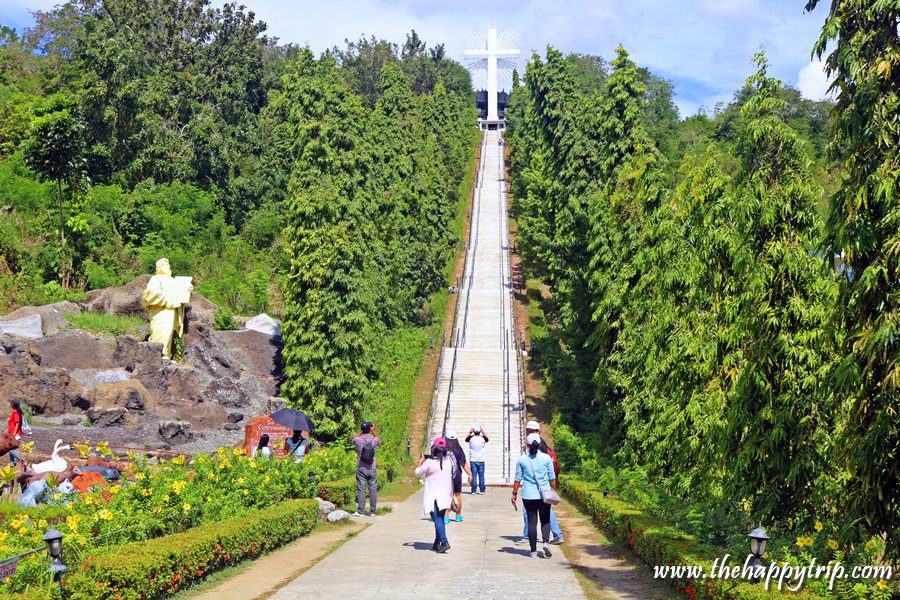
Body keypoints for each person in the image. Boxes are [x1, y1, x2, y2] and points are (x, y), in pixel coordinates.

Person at [512, 433, 557, 558]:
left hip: (528, 495)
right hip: (544, 494)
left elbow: (517, 479)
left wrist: (514, 493)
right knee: (545, 520)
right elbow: (552, 477)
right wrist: (554, 490)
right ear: (540, 444)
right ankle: (546, 543)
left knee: (532, 522)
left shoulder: (522, 460)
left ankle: (533, 551)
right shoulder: (547, 458)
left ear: (527, 445)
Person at [521, 420, 564, 544]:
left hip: (538, 486)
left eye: (530, 431)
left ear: (537, 432)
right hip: (539, 486)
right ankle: (556, 535)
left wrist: (552, 488)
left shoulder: (540, 446)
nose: (528, 433)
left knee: (531, 513)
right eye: (527, 431)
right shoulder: (539, 443)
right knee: (543, 512)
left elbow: (547, 469)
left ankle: (528, 536)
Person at [414, 438, 453, 553]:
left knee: (436, 519)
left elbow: (417, 473)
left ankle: (444, 541)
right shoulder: (449, 462)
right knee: (440, 519)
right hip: (445, 495)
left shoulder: (429, 463)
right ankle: (437, 542)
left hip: (433, 496)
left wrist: (420, 462)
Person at [351, 421, 381, 517]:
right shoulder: (374, 440)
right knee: (373, 489)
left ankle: (361, 511)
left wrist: (361, 432)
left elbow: (353, 440)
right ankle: (372, 511)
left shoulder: (358, 440)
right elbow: (380, 442)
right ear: (370, 429)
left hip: (361, 467)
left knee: (361, 489)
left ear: (362, 429)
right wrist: (374, 431)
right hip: (372, 467)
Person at [444, 432, 471, 523]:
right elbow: (463, 464)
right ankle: (458, 515)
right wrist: (470, 474)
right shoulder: (459, 449)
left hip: (446, 474)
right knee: (458, 495)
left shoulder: (443, 449)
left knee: (447, 495)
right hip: (457, 474)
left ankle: (446, 516)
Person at [465, 426, 489, 494]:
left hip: (473, 459)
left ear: (474, 431)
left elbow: (466, 439)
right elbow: (487, 439)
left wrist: (470, 431)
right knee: (481, 475)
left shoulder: (471, 438)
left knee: (474, 475)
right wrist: (483, 431)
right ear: (479, 431)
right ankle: (482, 490)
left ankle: (473, 490)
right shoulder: (482, 439)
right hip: (481, 459)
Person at [7, 399, 28, 467]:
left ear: (12, 405)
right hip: (12, 433)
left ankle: (22, 460)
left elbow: (17, 424)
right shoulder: (14, 412)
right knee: (11, 450)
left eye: (10, 403)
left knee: (10, 450)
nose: (10, 404)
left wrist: (14, 434)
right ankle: (12, 465)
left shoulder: (15, 413)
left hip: (15, 434)